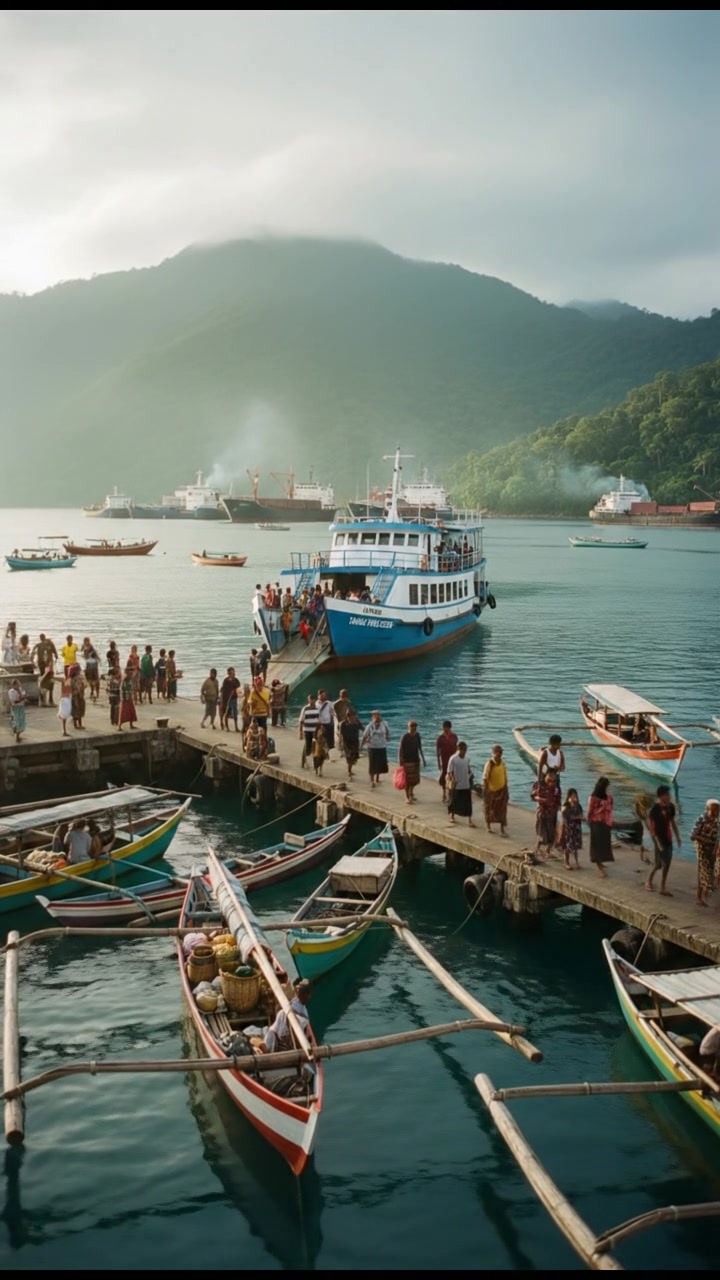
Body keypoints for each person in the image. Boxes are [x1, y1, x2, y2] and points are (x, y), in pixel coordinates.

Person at [646, 784, 681, 896]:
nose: (669, 796)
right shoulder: (654, 810)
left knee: (667, 864)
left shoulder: (670, 807)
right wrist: (657, 841)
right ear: (661, 796)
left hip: (668, 838)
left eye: (669, 794)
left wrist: (677, 836)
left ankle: (662, 886)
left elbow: (672, 822)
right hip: (658, 839)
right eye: (667, 794)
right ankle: (649, 881)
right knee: (658, 864)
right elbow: (651, 827)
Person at [263, 978, 312, 1053]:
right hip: (281, 1044)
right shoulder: (296, 1012)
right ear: (306, 995)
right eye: (308, 995)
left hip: (282, 1040)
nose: (309, 997)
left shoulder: (296, 1007)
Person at [690, 799, 720, 907]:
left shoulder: (716, 822)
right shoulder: (702, 819)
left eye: (718, 811)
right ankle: (699, 897)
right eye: (714, 810)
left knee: (710, 871)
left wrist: (715, 848)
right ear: (708, 809)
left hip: (711, 848)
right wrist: (705, 841)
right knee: (703, 871)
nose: (716, 813)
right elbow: (693, 836)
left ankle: (704, 895)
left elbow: (716, 838)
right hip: (702, 847)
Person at [588, 776, 614, 878]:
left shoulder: (609, 797)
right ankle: (599, 868)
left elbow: (611, 810)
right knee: (597, 846)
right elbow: (590, 812)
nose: (607, 788)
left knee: (604, 845)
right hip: (596, 823)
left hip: (606, 823)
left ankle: (601, 863)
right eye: (606, 786)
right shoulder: (593, 797)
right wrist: (590, 823)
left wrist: (610, 822)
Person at [531, 769, 561, 857]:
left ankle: (548, 850)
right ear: (546, 775)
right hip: (542, 811)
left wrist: (559, 811)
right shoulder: (539, 785)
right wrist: (540, 799)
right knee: (542, 831)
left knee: (552, 832)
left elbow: (558, 800)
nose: (552, 777)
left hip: (553, 812)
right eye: (550, 775)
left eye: (553, 776)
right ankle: (538, 846)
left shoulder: (556, 787)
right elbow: (532, 796)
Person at [482, 744, 509, 835]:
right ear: (493, 753)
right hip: (491, 790)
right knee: (489, 809)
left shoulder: (503, 763)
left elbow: (505, 776)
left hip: (501, 790)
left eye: (500, 752)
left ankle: (502, 829)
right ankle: (488, 826)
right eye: (496, 752)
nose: (498, 754)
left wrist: (506, 788)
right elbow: (485, 778)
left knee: (502, 810)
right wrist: (486, 790)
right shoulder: (489, 763)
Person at [447, 742, 475, 827]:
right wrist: (452, 780)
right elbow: (449, 771)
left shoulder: (467, 758)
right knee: (454, 801)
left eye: (465, 750)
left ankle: (470, 820)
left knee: (468, 803)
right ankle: (452, 816)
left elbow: (468, 768)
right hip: (457, 784)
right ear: (459, 749)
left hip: (465, 784)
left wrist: (471, 776)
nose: (464, 752)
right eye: (463, 750)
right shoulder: (453, 759)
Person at [398, 720, 426, 804]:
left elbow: (420, 748)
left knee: (415, 780)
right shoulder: (405, 736)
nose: (413, 728)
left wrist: (423, 759)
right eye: (411, 726)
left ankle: (411, 792)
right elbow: (401, 749)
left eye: (414, 726)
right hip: (407, 761)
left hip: (415, 760)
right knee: (407, 780)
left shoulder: (417, 735)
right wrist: (401, 760)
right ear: (408, 727)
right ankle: (407, 797)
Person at [362, 711, 390, 787]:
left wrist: (387, 739)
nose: (377, 718)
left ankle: (377, 778)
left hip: (382, 746)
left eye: (378, 716)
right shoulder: (369, 726)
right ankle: (372, 780)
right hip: (372, 747)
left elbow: (388, 734)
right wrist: (361, 747)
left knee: (380, 764)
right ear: (373, 717)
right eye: (375, 716)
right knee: (372, 764)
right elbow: (364, 736)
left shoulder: (385, 724)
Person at [559, 788, 583, 870]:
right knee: (568, 845)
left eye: (575, 795)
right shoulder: (566, 805)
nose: (574, 797)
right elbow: (565, 816)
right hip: (569, 828)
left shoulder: (578, 805)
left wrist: (580, 817)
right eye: (573, 795)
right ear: (569, 796)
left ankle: (577, 863)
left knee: (576, 846)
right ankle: (567, 862)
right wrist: (577, 817)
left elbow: (581, 815)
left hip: (576, 828)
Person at [436, 720, 459, 803]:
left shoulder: (454, 736)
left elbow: (457, 748)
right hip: (444, 760)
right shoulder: (440, 738)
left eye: (447, 728)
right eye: (444, 728)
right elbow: (437, 752)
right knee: (443, 777)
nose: (445, 729)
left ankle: (450, 793)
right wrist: (438, 763)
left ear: (450, 728)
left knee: (452, 777)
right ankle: (444, 793)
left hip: (452, 760)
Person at [298, 693, 320, 767]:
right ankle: (304, 760)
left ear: (314, 700)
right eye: (310, 699)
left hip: (314, 730)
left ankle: (314, 762)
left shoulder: (317, 709)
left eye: (313, 699)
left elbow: (318, 720)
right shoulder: (305, 708)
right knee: (307, 745)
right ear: (308, 700)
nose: (311, 701)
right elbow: (301, 721)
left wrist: (319, 730)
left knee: (314, 746)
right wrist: (300, 732)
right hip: (307, 730)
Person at [341, 708, 362, 778]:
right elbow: (341, 735)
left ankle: (350, 769)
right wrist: (342, 745)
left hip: (355, 742)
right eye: (350, 716)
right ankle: (349, 771)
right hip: (347, 742)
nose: (352, 717)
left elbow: (363, 728)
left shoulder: (357, 722)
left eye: (354, 716)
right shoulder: (343, 724)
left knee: (354, 757)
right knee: (349, 756)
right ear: (347, 716)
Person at [118, 666, 137, 731]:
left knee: (131, 711)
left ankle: (131, 725)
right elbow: (122, 689)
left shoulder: (130, 679)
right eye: (130, 674)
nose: (131, 675)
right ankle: (119, 726)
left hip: (129, 697)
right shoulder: (124, 680)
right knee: (123, 712)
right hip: (125, 698)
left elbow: (131, 688)